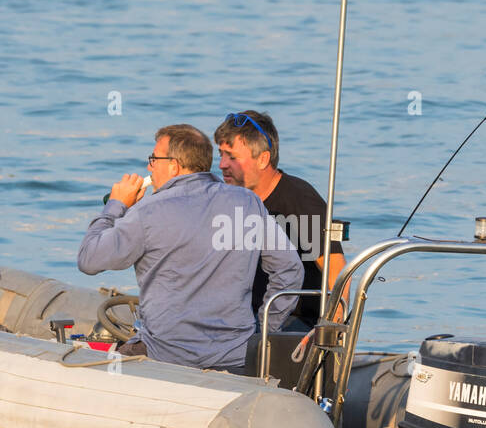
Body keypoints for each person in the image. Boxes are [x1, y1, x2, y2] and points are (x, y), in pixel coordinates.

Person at [77, 124, 303, 373]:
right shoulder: (247, 203)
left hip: (165, 354)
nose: (149, 167)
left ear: (174, 165)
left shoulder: (147, 211)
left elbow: (89, 259)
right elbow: (289, 270)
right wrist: (263, 332)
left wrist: (116, 205)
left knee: (89, 365)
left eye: (153, 159)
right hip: (236, 355)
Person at [214, 110, 347, 331]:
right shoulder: (231, 198)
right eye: (221, 155)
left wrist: (331, 330)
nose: (221, 165)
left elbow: (336, 270)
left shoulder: (299, 200)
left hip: (295, 320)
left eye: (232, 157)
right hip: (242, 316)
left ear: (263, 159)